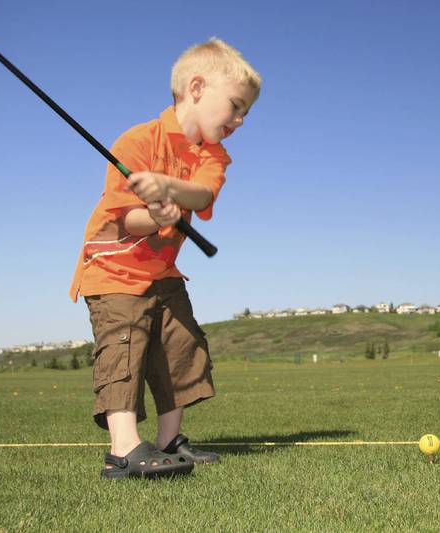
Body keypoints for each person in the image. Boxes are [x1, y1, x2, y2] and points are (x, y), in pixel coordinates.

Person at [69, 38, 261, 479]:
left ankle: (169, 440)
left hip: (163, 272)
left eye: (245, 113)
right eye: (235, 106)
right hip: (113, 271)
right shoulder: (137, 141)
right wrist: (155, 214)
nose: (239, 120)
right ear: (196, 88)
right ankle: (123, 450)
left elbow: (204, 194)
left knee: (180, 345)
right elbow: (128, 220)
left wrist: (168, 188)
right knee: (124, 349)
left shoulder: (213, 155)